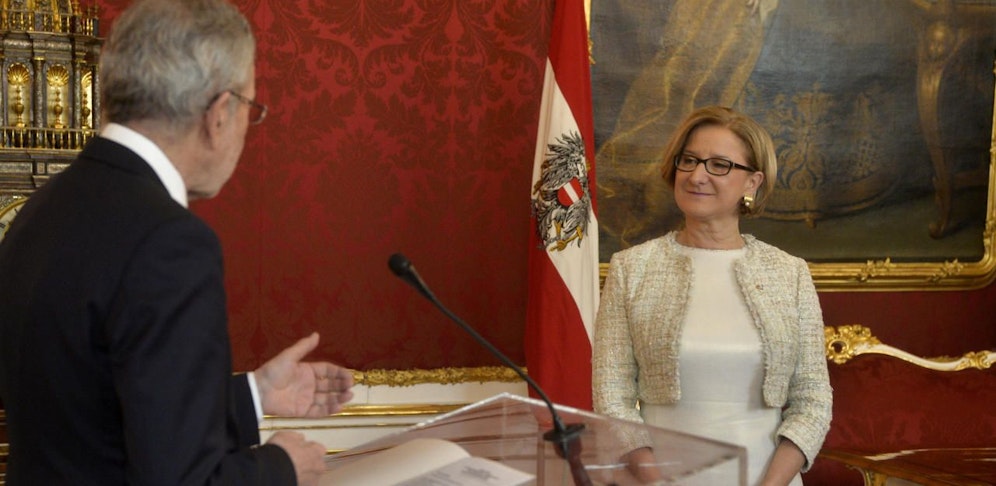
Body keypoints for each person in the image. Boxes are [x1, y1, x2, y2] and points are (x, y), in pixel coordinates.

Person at [0, 1, 354, 485]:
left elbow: (95, 420)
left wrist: (252, 395)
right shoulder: (170, 243)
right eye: (252, 107)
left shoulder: (44, 207)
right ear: (220, 113)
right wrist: (281, 468)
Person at [592, 106, 831, 485]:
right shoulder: (631, 270)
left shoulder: (790, 275)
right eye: (689, 160)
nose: (697, 175)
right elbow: (613, 396)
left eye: (719, 165)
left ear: (752, 183)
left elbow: (813, 402)